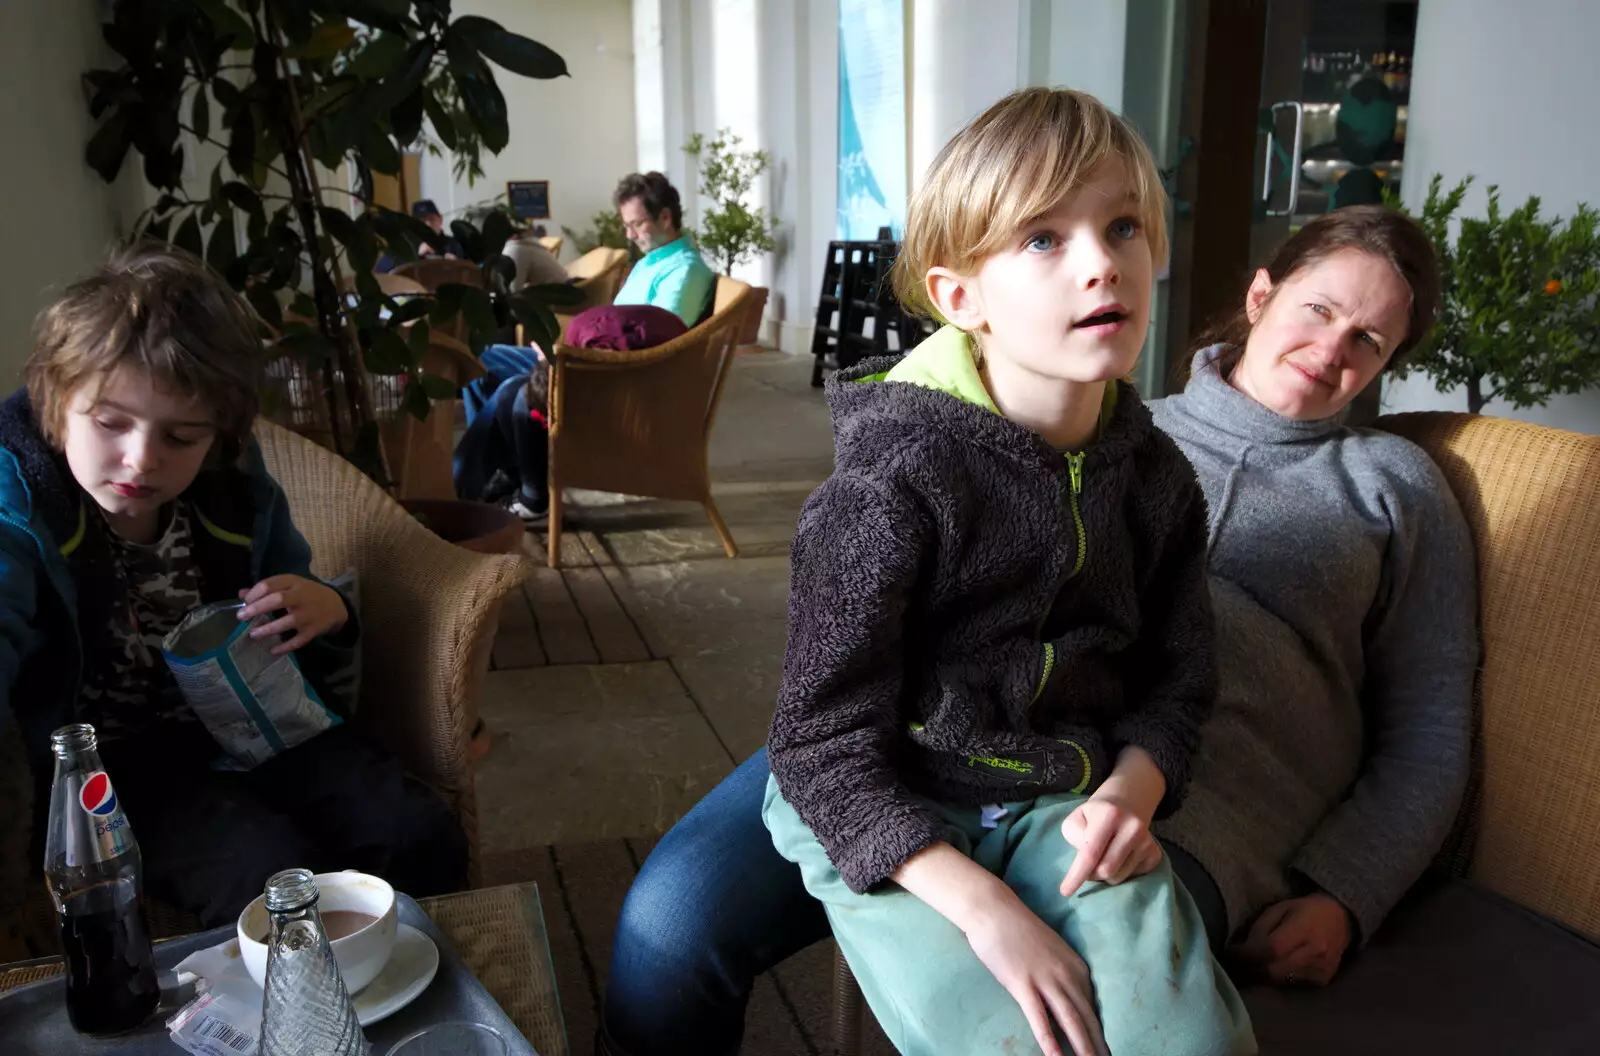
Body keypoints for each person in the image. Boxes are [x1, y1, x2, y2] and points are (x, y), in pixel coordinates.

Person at [599, 192, 1476, 1056]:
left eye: (1368, 338)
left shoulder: (1394, 485)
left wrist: (1345, 893)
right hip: (904, 733)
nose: (1330, 350)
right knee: (671, 924)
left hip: (1177, 806)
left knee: (1071, 1033)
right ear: (1260, 297)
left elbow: (1432, 728)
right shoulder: (1096, 422)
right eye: (1316, 308)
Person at [758, 88, 1253, 1056]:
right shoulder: (891, 484)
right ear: (958, 297)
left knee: (1193, 1043)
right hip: (879, 786)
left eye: (1122, 226)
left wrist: (1134, 791)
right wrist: (985, 910)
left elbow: (1178, 683)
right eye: (1042, 238)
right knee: (1015, 1042)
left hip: (1052, 785)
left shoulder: (1156, 481)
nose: (1102, 263)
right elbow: (818, 740)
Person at [1, 244, 468, 928]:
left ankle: (423, 993)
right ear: (53, 403)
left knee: (416, 833)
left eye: (181, 436)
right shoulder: (22, 509)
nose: (140, 459)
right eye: (110, 424)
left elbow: (298, 595)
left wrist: (328, 608)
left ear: (216, 436)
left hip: (260, 728)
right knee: (267, 881)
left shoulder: (236, 489)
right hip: (120, 776)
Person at [612, 171, 715, 326]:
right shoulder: (650, 262)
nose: (630, 235)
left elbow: (661, 336)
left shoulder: (685, 270)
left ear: (665, 218)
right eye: (627, 226)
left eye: (637, 224)